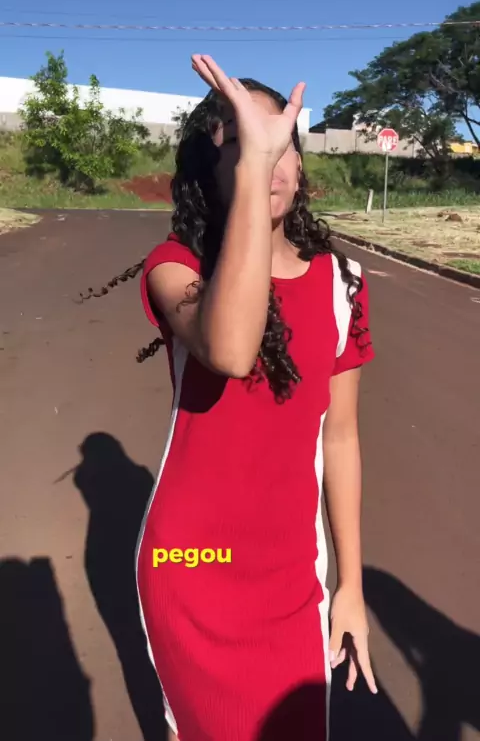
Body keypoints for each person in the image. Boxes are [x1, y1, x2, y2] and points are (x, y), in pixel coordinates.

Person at [82, 55, 377, 741]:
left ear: (300, 162)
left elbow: (340, 437)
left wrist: (351, 586)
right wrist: (253, 171)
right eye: (242, 146)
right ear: (211, 172)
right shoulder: (176, 269)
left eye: (280, 144)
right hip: (193, 567)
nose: (268, 162)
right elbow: (233, 349)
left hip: (293, 574)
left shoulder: (345, 283)